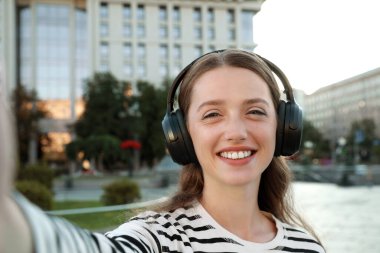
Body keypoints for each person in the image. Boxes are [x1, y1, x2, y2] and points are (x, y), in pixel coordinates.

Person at [0, 49, 325, 252]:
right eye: (212, 114)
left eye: (255, 111)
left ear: (283, 128)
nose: (236, 132)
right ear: (181, 135)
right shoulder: (157, 239)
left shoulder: (306, 246)